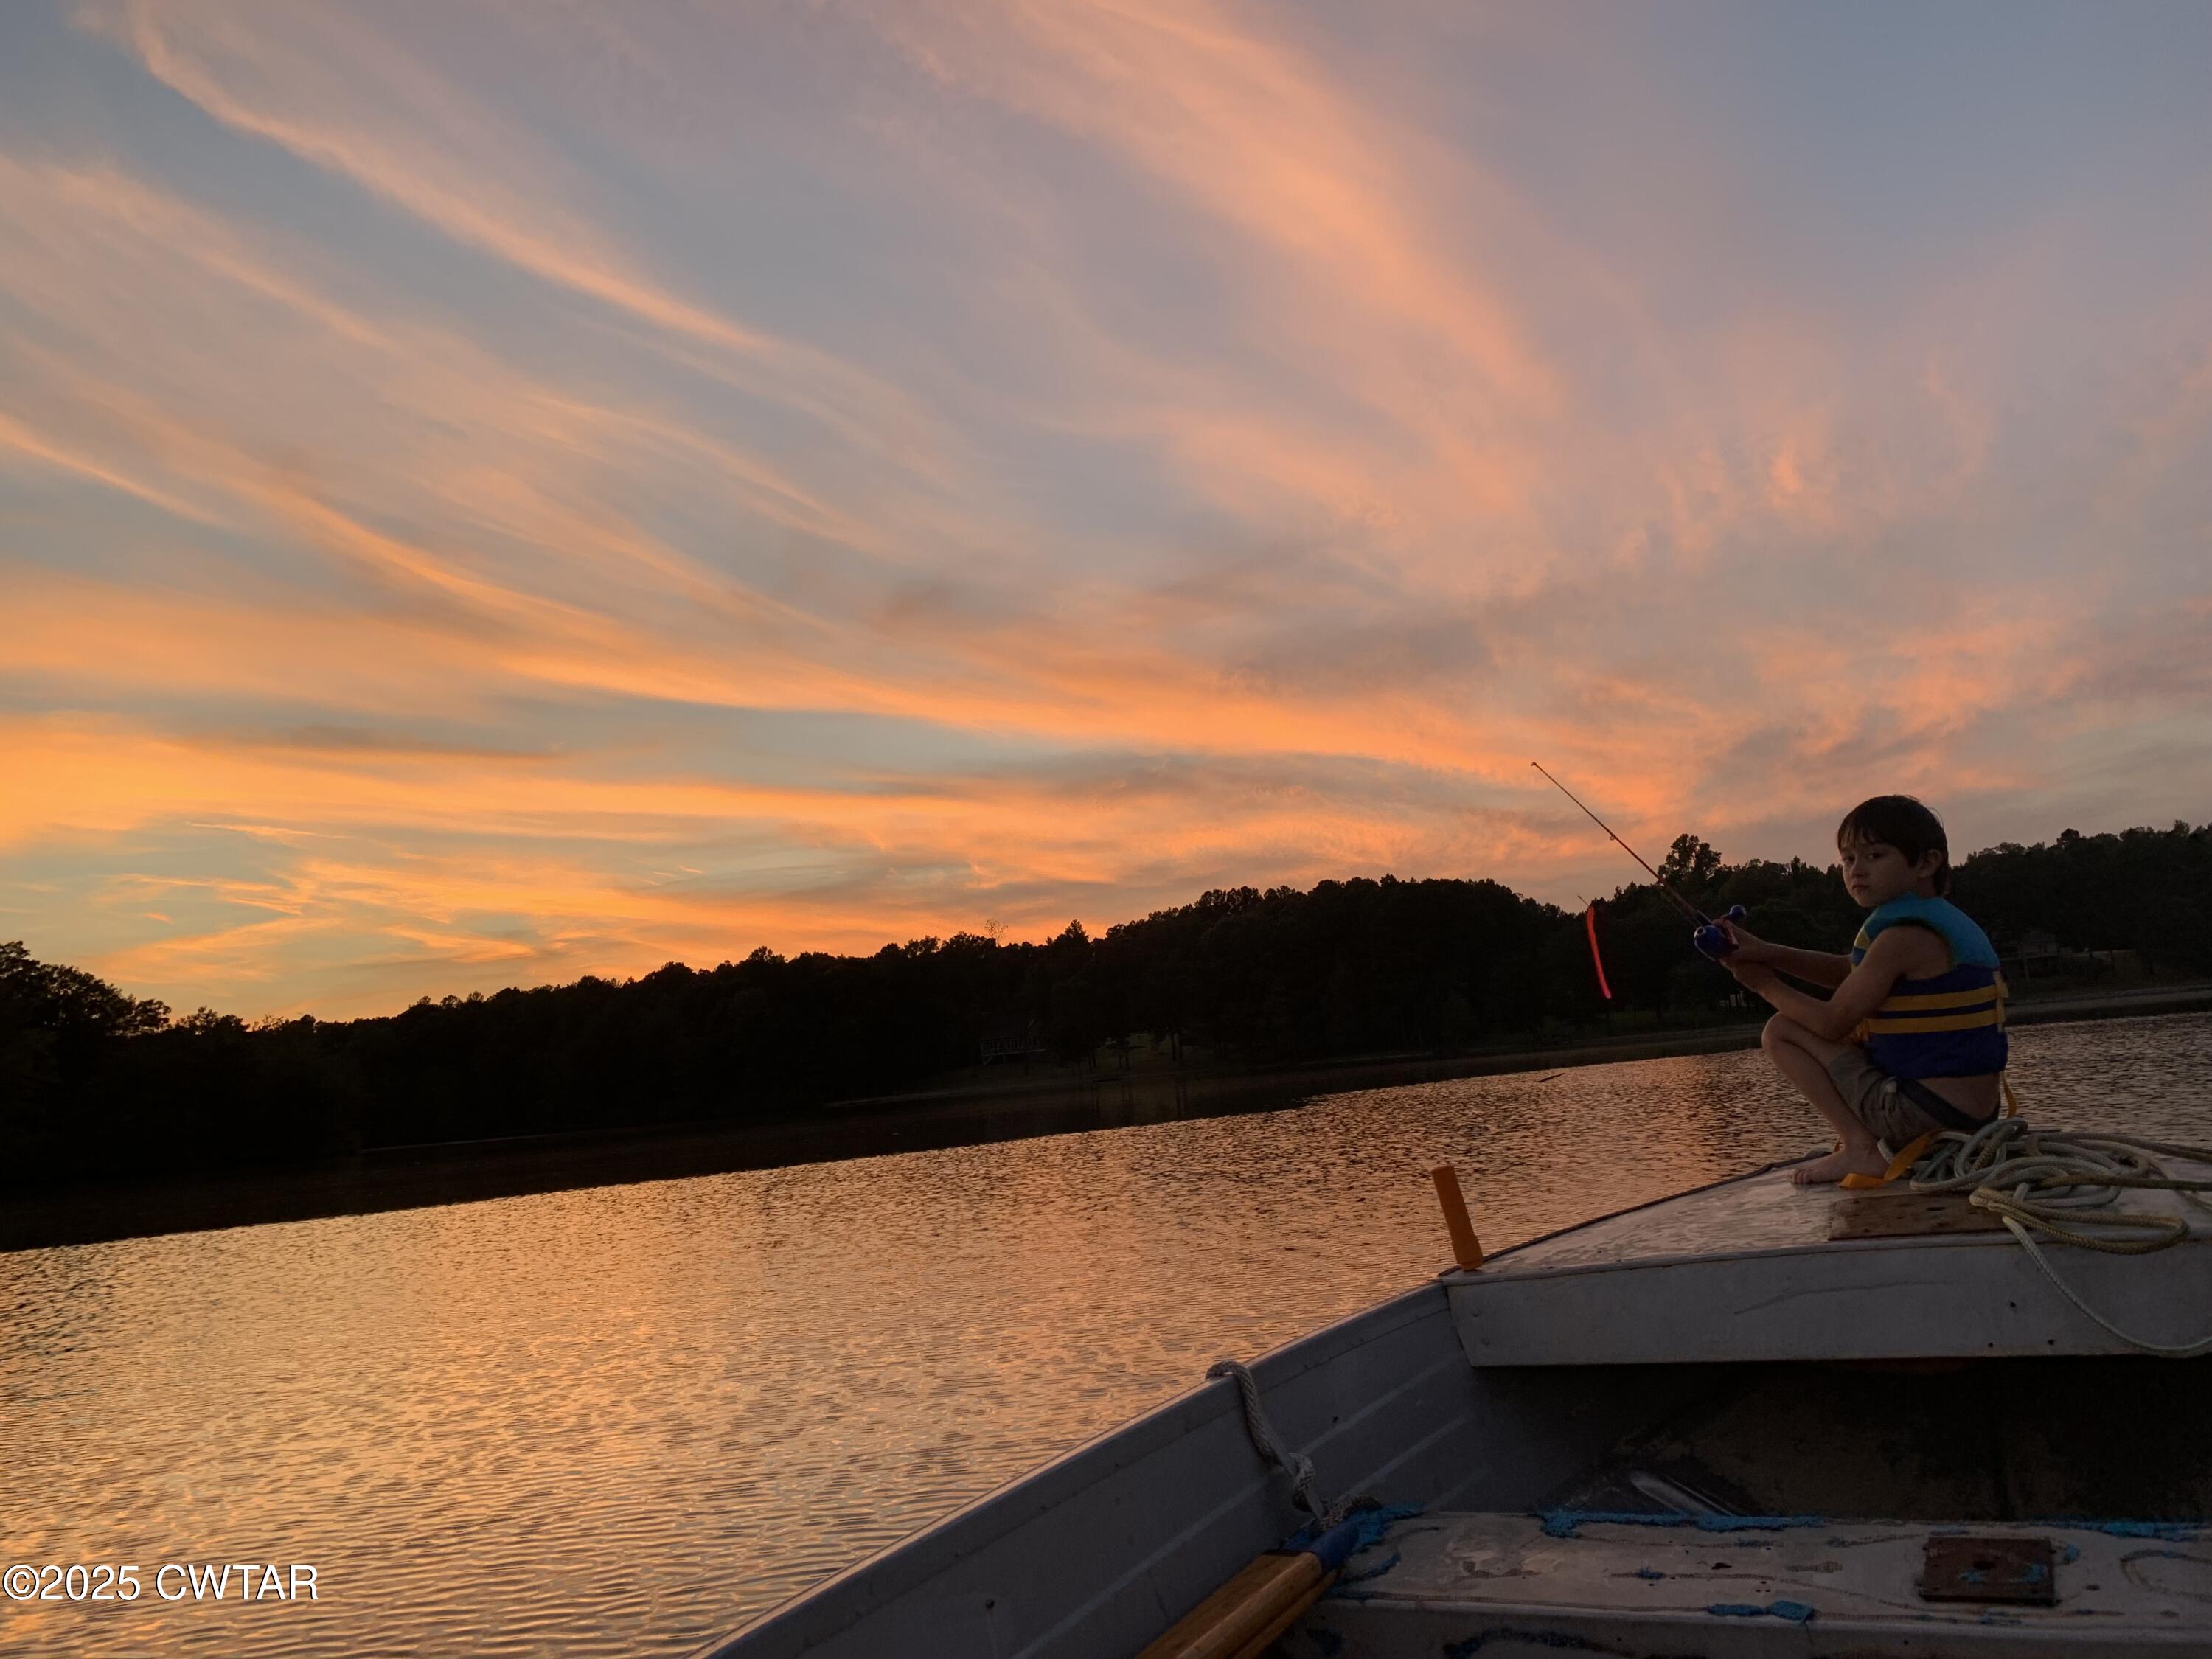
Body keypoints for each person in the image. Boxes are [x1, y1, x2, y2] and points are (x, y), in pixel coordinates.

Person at [1719, 795, 2008, 1185]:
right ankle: (1866, 1144)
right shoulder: (1935, 925)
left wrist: (1764, 984)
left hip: (1918, 1114)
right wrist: (1766, 952)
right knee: (1794, 1025)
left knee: (1781, 1030)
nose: (1858, 871)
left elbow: (1832, 1024)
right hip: (1971, 1115)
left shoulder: (1901, 937)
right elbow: (1850, 972)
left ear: (1926, 862)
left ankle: (1861, 1148)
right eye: (1848, 859)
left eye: (1875, 856)